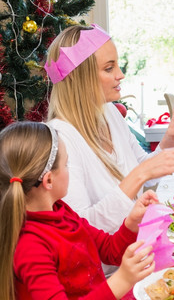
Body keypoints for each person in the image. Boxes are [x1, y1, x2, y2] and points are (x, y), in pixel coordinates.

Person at [45, 24, 174, 235]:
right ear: (81, 79)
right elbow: (80, 229)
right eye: (108, 68)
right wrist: (140, 175)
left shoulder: (109, 113)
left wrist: (169, 141)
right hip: (107, 266)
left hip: (136, 247)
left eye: (118, 65)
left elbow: (143, 171)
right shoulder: (59, 139)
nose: (120, 74)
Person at [0, 121, 156, 299]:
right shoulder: (30, 246)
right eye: (66, 164)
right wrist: (121, 280)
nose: (69, 169)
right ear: (48, 180)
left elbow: (109, 250)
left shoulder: (61, 211)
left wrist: (131, 223)